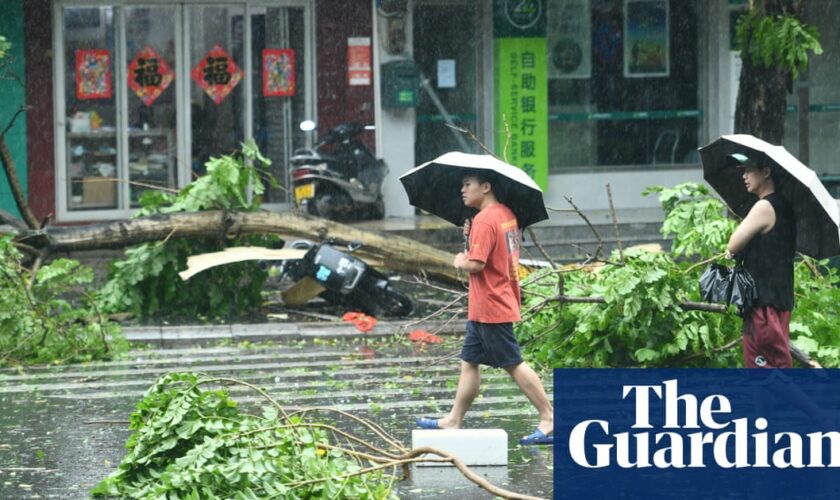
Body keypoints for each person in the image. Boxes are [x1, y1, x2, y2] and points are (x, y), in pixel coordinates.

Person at [415, 171, 554, 445]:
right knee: (469, 363)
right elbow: (493, 255)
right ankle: (453, 419)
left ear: (486, 187)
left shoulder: (486, 219)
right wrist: (471, 238)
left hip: (491, 304)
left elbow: (476, 264)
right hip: (489, 302)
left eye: (467, 184)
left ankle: (549, 417)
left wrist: (458, 260)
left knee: (513, 363)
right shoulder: (505, 215)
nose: (462, 190)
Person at [725, 153, 796, 368]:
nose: (744, 176)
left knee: (771, 376)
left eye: (749, 170)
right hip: (777, 301)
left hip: (764, 307)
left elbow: (733, 243)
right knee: (766, 375)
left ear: (766, 172)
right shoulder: (784, 207)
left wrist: (734, 250)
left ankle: (812, 404)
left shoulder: (765, 207)